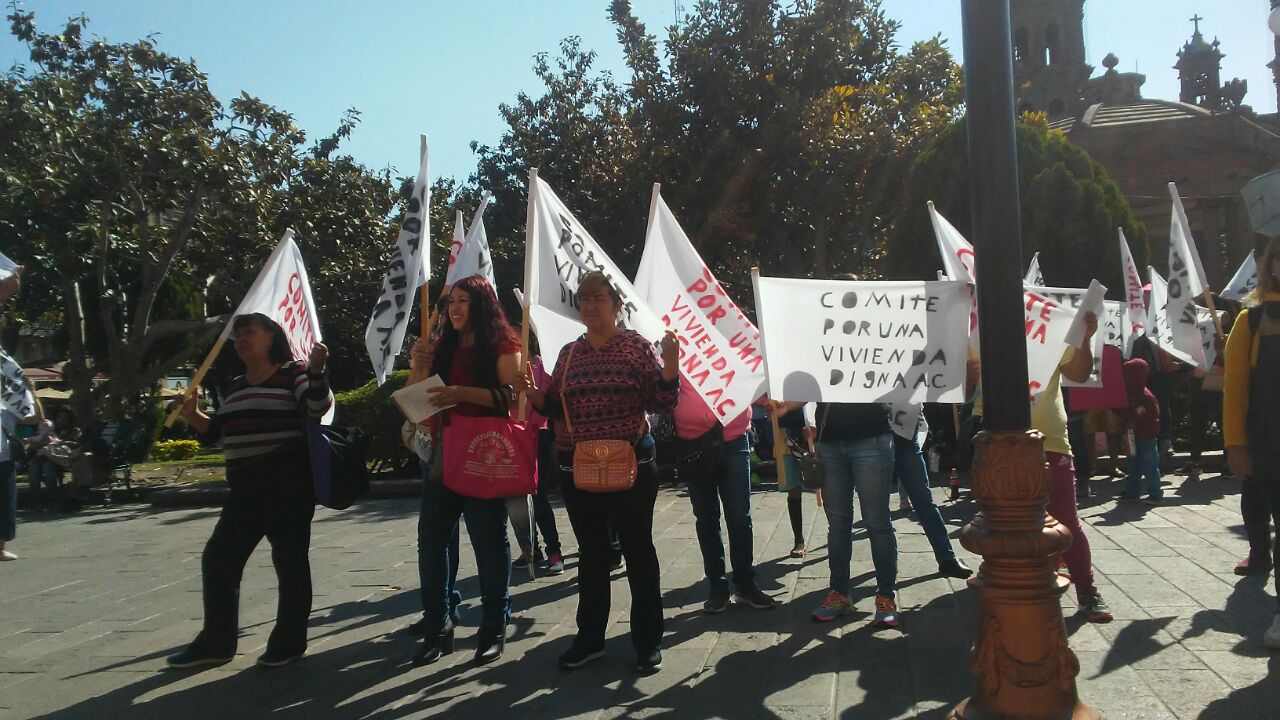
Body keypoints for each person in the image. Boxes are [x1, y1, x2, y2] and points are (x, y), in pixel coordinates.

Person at [517, 270, 679, 675]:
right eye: (584, 299)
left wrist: (671, 366)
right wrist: (530, 392)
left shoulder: (636, 348)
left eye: (598, 298)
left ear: (616, 305)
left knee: (639, 552)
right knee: (591, 556)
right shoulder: (570, 354)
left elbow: (661, 402)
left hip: (633, 466)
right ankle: (590, 640)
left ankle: (647, 641)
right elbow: (555, 406)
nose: (590, 305)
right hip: (581, 469)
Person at [167, 313, 332, 669]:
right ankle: (217, 641)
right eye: (237, 335)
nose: (240, 340)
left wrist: (317, 372)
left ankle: (289, 641)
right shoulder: (238, 383)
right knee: (219, 560)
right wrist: (193, 415)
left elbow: (318, 407)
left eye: (249, 333)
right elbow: (216, 434)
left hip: (287, 485)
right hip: (244, 490)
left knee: (288, 562)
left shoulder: (294, 372)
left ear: (271, 338)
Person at [968, 311, 1113, 623]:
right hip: (997, 443)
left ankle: (1086, 589)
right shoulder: (975, 331)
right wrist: (969, 375)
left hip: (1051, 442)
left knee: (1067, 519)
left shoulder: (1051, 324)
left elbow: (1078, 372)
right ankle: (1012, 586)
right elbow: (960, 393)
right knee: (1002, 520)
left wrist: (1085, 340)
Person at [412, 275, 521, 667]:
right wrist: (417, 368)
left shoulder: (504, 345)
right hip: (442, 455)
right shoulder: (442, 345)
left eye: (463, 301)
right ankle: (437, 625)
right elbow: (418, 401)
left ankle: (493, 625)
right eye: (450, 302)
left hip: (483, 456)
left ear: (482, 304)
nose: (454, 308)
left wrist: (461, 394)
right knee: (432, 540)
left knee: (489, 540)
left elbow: (513, 400)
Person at [1223, 236, 1280, 647]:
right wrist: (1235, 446)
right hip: (1268, 444)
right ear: (1271, 266)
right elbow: (1235, 390)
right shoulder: (1252, 322)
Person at [676, 381, 776, 613]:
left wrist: (769, 398)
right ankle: (718, 587)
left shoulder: (735, 345)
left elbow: (751, 376)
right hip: (693, 442)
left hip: (733, 437)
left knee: (740, 516)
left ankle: (744, 583)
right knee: (706, 517)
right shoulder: (678, 347)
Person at [805, 398, 901, 627]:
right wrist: (786, 406)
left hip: (872, 437)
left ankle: (886, 596)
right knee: (837, 525)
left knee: (877, 522)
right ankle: (839, 594)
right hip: (829, 441)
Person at [891, 412, 972, 579]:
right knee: (878, 506)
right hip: (878, 432)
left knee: (924, 500)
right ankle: (887, 561)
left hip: (905, 430)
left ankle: (946, 558)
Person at [508, 345, 564, 576]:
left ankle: (554, 551)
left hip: (538, 435)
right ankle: (530, 549)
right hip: (511, 433)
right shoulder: (504, 366)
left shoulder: (544, 367)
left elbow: (549, 405)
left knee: (537, 495)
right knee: (516, 497)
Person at [1117, 358, 1162, 505]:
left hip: (1146, 437)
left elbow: (1154, 417)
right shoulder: (1130, 394)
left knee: (1150, 465)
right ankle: (1131, 490)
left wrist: (1135, 420)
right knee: (1132, 465)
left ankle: (1155, 492)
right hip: (1133, 436)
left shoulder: (1146, 397)